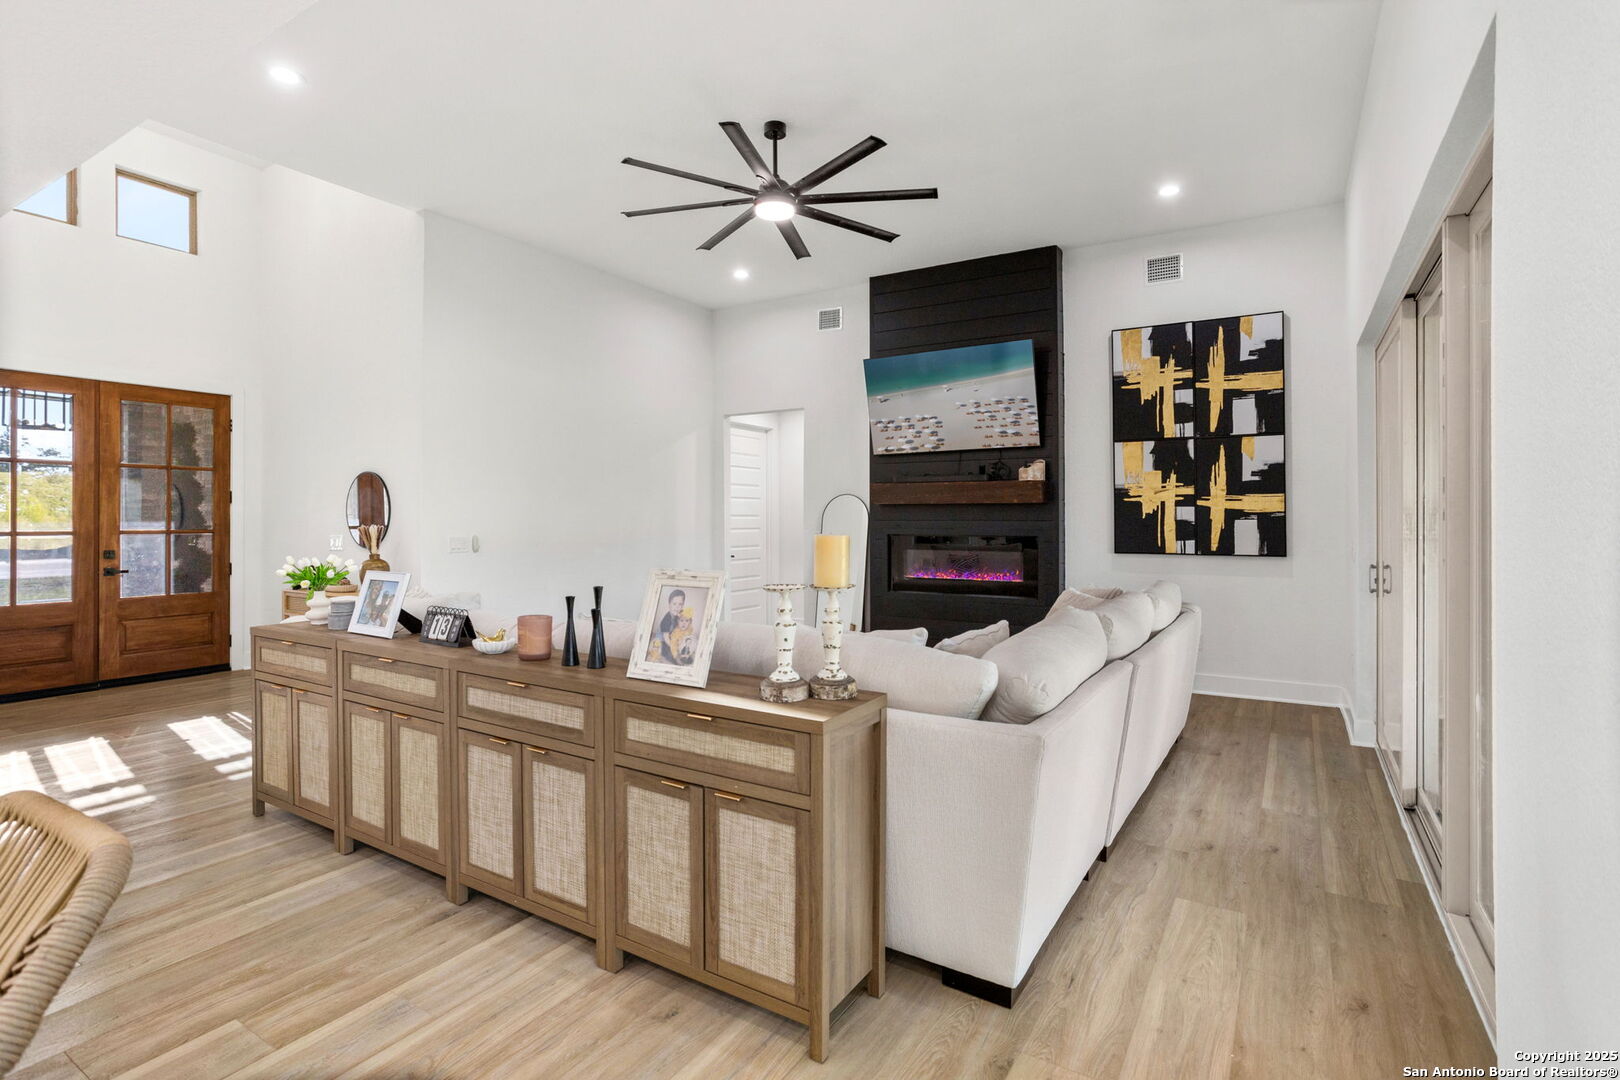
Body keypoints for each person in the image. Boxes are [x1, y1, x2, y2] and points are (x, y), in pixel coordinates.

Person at [652, 589, 686, 664]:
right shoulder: (666, 619)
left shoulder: (678, 615)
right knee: (669, 654)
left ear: (683, 605)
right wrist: (673, 647)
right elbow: (666, 638)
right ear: (669, 604)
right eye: (674, 604)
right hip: (662, 640)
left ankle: (681, 656)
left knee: (683, 646)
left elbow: (680, 627)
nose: (677, 607)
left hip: (671, 637)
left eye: (680, 604)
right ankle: (675, 659)